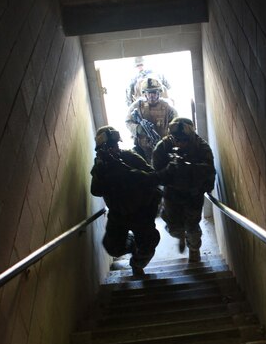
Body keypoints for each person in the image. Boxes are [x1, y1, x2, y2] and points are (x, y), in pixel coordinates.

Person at [90, 125, 161, 277]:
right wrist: (101, 172)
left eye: (114, 145)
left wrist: (126, 171)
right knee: (113, 247)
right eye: (108, 147)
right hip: (119, 214)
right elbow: (95, 190)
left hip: (141, 211)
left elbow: (153, 177)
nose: (113, 149)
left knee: (149, 242)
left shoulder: (129, 157)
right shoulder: (101, 166)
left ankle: (137, 264)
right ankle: (134, 244)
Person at [152, 117, 216, 263]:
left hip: (192, 195)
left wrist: (190, 169)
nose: (180, 143)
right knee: (174, 228)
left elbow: (209, 172)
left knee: (192, 228)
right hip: (172, 195)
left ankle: (194, 249)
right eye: (176, 139)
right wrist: (170, 170)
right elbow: (156, 177)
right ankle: (180, 236)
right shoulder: (163, 147)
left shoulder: (201, 147)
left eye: (184, 140)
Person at [126, 77, 177, 164]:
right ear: (144, 93)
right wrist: (137, 128)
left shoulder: (167, 107)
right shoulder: (137, 106)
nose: (151, 95)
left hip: (162, 146)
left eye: (154, 92)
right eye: (148, 92)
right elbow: (128, 121)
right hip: (143, 149)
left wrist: (170, 138)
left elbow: (175, 123)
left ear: (159, 93)